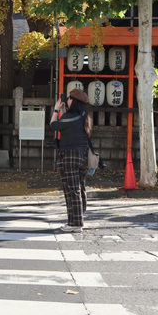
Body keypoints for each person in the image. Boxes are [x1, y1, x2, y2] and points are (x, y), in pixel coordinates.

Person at [50, 88, 92, 233]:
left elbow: (53, 125)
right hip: (82, 156)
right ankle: (80, 218)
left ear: (73, 101)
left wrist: (56, 110)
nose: (67, 100)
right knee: (80, 188)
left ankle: (75, 223)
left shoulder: (69, 116)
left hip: (69, 156)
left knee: (71, 189)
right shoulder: (83, 116)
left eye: (69, 98)